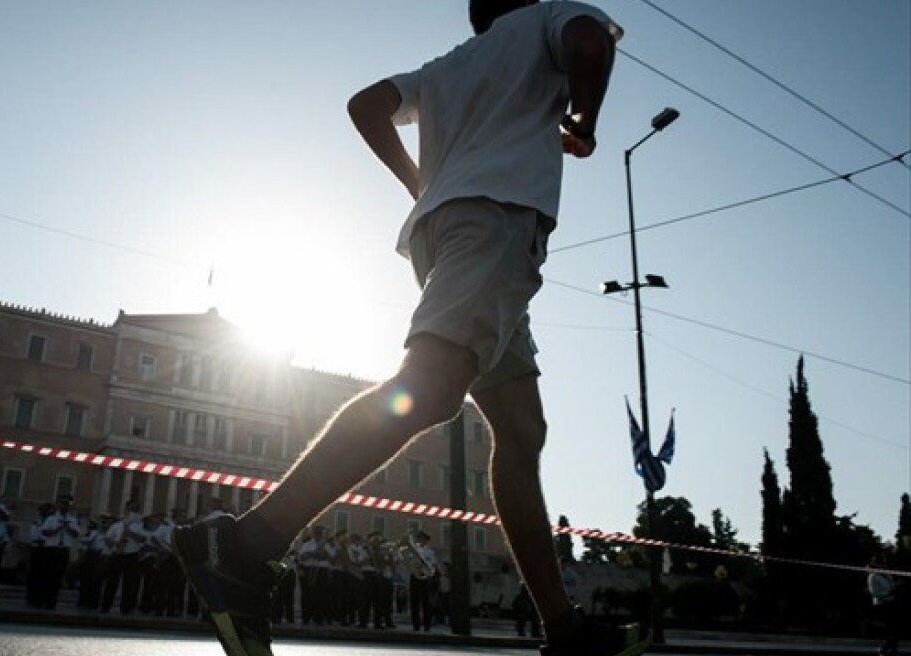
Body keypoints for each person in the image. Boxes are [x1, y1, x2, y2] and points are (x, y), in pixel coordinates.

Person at [173, 2, 638, 655]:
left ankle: (563, 626)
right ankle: (247, 544)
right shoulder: (552, 19)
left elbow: (365, 104)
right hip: (497, 225)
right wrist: (583, 125)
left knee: (521, 429)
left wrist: (421, 184)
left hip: (446, 232)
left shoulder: (452, 65)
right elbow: (591, 43)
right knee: (431, 388)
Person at [35, 493, 80, 609]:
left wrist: (67, 527)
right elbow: (45, 532)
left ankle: (52, 601)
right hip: (51, 548)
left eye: (67, 504)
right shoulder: (51, 518)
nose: (65, 506)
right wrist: (59, 528)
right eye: (63, 503)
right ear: (59, 504)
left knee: (58, 575)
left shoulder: (72, 519)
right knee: (47, 575)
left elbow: (76, 534)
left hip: (63, 549)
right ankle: (43, 600)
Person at [867, 556, 900, 656]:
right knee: (891, 628)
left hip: (891, 602)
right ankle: (884, 648)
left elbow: (892, 585)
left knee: (895, 627)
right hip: (882, 604)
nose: (884, 566)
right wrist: (888, 593)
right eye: (882, 564)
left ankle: (892, 649)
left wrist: (896, 586)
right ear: (876, 565)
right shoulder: (873, 576)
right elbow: (874, 592)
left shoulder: (887, 574)